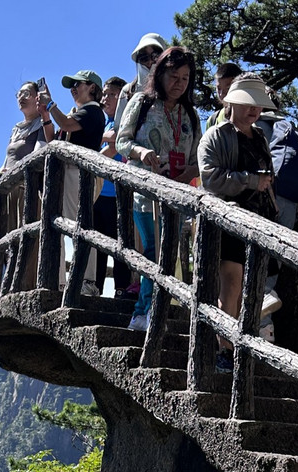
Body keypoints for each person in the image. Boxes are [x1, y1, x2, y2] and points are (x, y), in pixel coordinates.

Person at [115, 46, 201, 333]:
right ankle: (146, 311)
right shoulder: (141, 103)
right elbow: (121, 142)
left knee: (169, 253)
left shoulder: (190, 115)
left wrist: (188, 173)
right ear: (160, 74)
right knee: (154, 249)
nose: (179, 83)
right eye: (173, 76)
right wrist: (141, 153)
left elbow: (197, 158)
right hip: (146, 193)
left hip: (177, 196)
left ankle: (149, 311)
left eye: (185, 78)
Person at [197, 75, 279, 372]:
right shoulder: (216, 136)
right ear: (231, 102)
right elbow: (211, 179)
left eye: (257, 104)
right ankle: (225, 349)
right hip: (230, 222)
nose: (254, 109)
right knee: (231, 286)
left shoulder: (260, 138)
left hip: (260, 223)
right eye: (247, 102)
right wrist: (251, 181)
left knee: (252, 288)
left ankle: (241, 347)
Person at [43, 71, 107, 294]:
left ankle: (86, 282)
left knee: (79, 225)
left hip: (79, 174)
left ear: (92, 87)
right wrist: (45, 115)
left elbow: (67, 125)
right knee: (63, 225)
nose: (73, 89)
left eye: (77, 84)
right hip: (68, 173)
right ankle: (60, 280)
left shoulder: (92, 111)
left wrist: (50, 104)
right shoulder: (80, 113)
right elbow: (54, 141)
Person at [91, 76, 130, 295]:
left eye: (112, 94)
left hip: (117, 194)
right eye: (104, 94)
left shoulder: (123, 122)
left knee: (119, 244)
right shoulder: (103, 122)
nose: (105, 98)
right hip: (98, 194)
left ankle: (121, 289)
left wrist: (98, 141)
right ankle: (95, 287)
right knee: (97, 244)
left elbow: (115, 147)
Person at [116, 32, 170, 135]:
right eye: (144, 58)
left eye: (155, 56)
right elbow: (119, 129)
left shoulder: (173, 87)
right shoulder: (128, 91)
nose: (150, 62)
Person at [204, 61, 244, 132]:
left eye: (228, 88)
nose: (221, 94)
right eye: (218, 89)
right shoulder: (213, 120)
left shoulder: (251, 115)